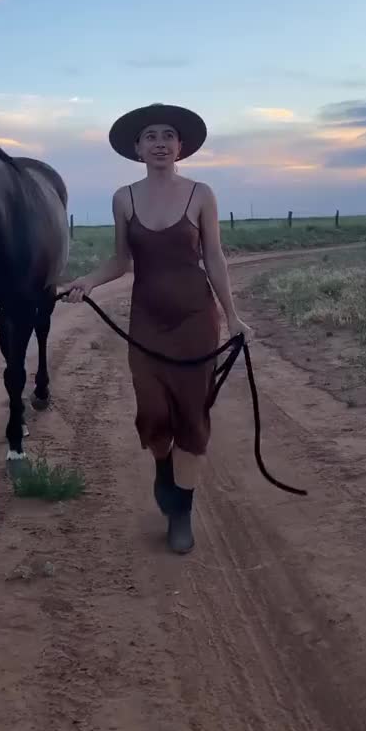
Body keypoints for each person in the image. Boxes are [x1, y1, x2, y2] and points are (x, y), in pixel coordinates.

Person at [62, 103, 249, 555]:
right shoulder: (123, 197)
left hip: (195, 320)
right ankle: (163, 468)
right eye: (151, 136)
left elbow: (215, 259)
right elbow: (120, 261)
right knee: (153, 412)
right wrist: (87, 281)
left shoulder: (201, 194)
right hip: (146, 319)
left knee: (191, 415)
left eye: (168, 135)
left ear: (181, 146)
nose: (160, 142)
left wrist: (233, 316)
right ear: (137, 149)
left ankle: (181, 511)